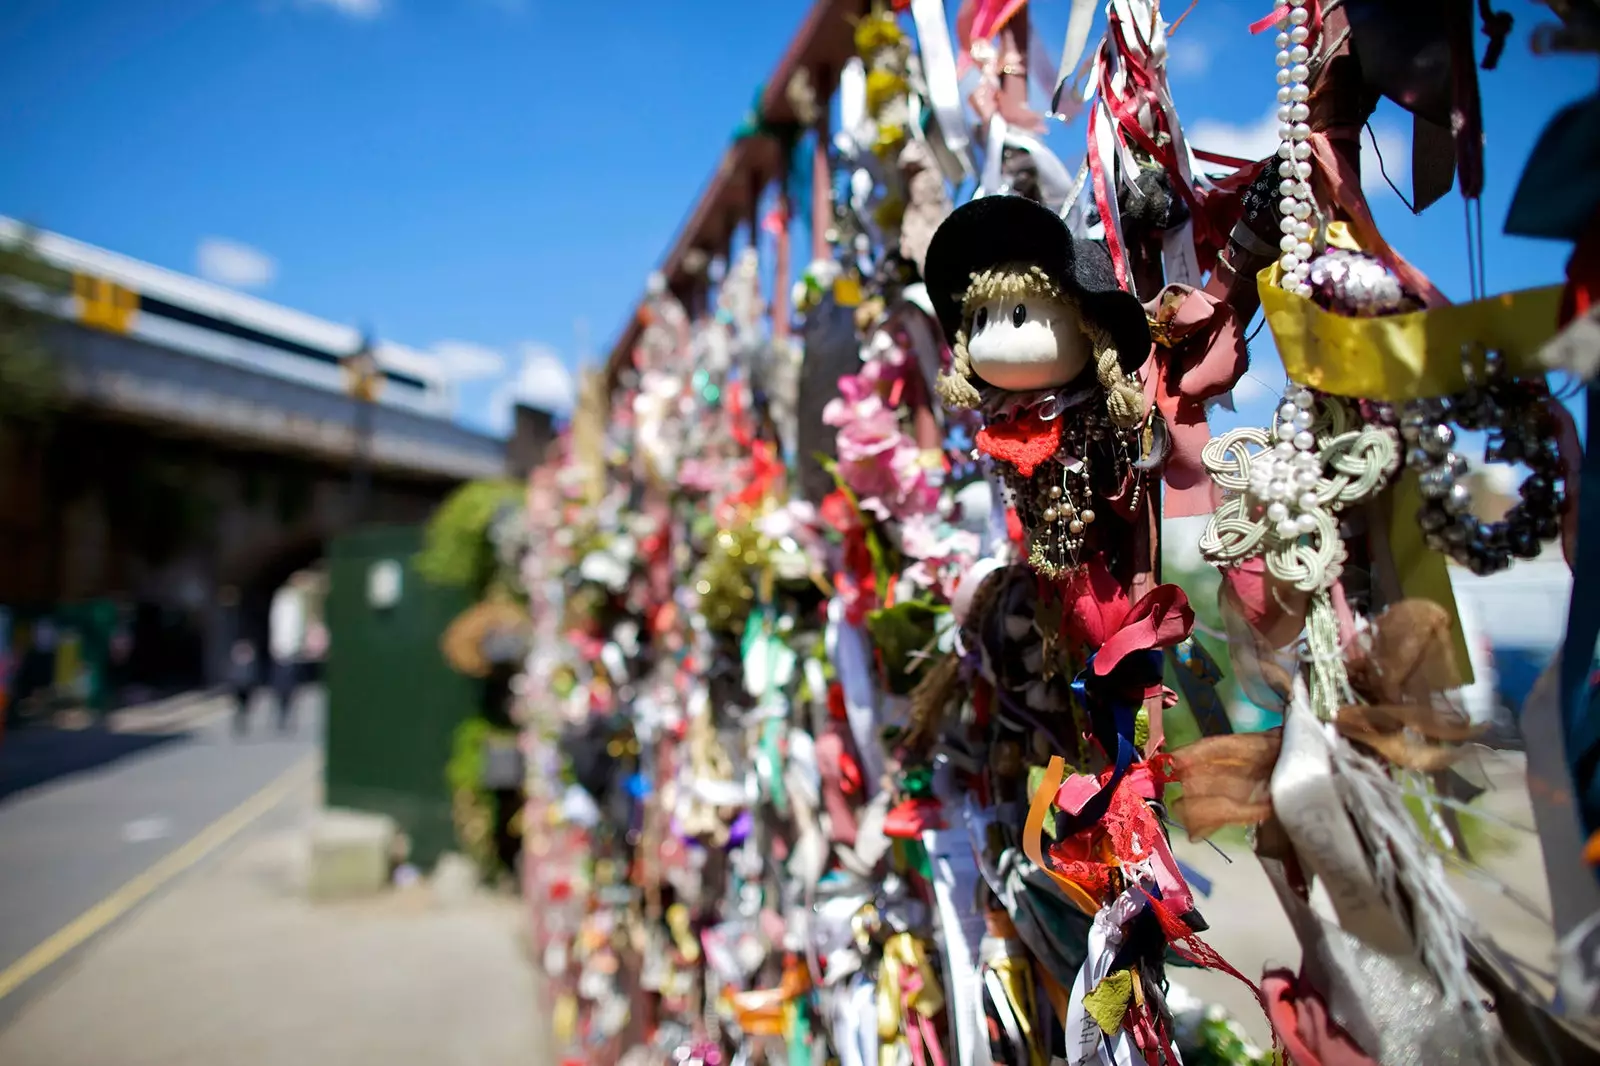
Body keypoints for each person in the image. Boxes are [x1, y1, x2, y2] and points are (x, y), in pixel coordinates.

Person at [268, 583, 306, 733]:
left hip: (290, 650)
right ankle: (281, 712)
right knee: (281, 686)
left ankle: (286, 713)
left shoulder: (294, 602)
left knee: (289, 686)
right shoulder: (282, 601)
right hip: (281, 649)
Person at [229, 639, 258, 736]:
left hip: (247, 688)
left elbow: (253, 678)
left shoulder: (250, 666)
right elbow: (232, 679)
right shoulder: (236, 666)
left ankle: (242, 722)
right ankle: (238, 722)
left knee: (245, 708)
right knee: (238, 707)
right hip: (238, 688)